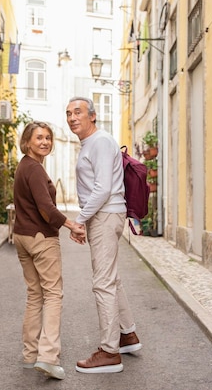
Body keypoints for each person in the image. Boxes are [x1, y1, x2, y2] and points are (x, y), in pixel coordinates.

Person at [65, 96, 142, 374]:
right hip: (107, 215)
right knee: (111, 279)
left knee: (103, 284)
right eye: (68, 114)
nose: (72, 118)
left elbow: (103, 188)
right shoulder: (93, 142)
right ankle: (127, 335)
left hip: (105, 215)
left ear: (93, 116)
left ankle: (109, 352)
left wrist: (80, 221)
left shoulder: (98, 141)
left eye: (78, 112)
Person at [12, 121, 85, 380]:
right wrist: (70, 225)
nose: (45, 142)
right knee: (53, 295)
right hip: (41, 238)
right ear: (27, 141)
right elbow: (45, 208)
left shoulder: (25, 166)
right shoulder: (34, 170)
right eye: (39, 138)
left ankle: (30, 355)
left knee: (35, 295)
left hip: (22, 236)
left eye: (48, 138)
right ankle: (48, 357)